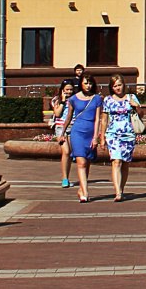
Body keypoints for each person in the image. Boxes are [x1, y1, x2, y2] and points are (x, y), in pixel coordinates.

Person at [60, 74, 103, 202]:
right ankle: (85, 192)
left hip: (90, 133)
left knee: (87, 161)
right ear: (81, 84)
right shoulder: (73, 99)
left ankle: (81, 189)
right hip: (77, 132)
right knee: (81, 162)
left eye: (90, 83)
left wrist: (96, 136)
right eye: (85, 83)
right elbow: (68, 117)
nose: (88, 85)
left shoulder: (97, 99)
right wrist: (62, 133)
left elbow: (97, 119)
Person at [98, 75, 141, 201]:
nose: (118, 88)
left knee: (125, 163)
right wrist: (102, 137)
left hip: (128, 133)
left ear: (124, 85)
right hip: (113, 134)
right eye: (115, 86)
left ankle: (121, 188)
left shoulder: (131, 98)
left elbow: (141, 114)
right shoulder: (108, 100)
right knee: (116, 161)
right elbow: (104, 119)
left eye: (119, 85)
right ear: (111, 87)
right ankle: (117, 192)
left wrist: (136, 107)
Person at [49, 81, 77, 188]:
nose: (69, 92)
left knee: (69, 154)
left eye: (71, 89)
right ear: (62, 90)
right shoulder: (56, 100)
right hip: (61, 128)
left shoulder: (75, 99)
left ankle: (67, 176)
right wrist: (63, 101)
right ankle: (64, 178)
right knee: (66, 151)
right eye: (67, 90)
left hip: (73, 127)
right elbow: (57, 113)